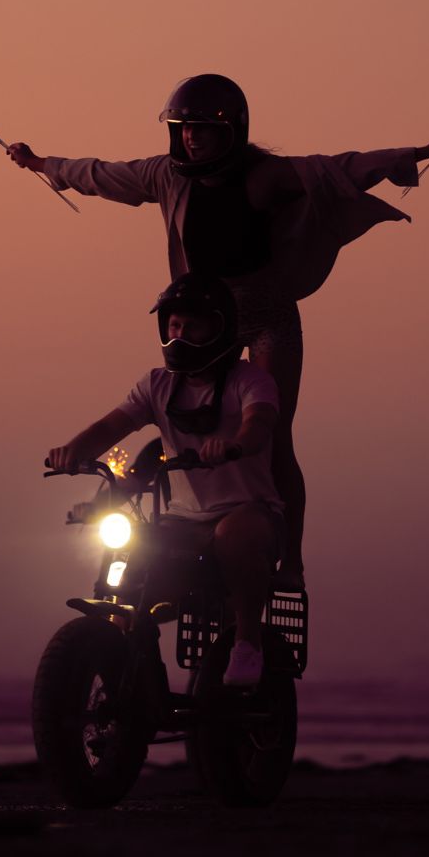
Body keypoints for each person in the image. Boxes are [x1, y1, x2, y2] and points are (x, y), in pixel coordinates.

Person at [9, 74, 429, 583]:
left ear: (232, 132)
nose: (191, 138)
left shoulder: (262, 177)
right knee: (180, 415)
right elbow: (105, 174)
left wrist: (420, 151)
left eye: (203, 129)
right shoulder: (166, 176)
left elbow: (337, 170)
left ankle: (289, 560)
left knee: (274, 436)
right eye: (183, 129)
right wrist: (43, 164)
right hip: (205, 319)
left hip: (267, 314)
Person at [47, 273, 282, 687]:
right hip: (182, 520)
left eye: (192, 326)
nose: (180, 335)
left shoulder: (250, 380)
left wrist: (235, 445)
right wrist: (73, 451)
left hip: (249, 512)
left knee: (235, 536)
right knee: (137, 566)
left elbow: (259, 423)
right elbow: (111, 425)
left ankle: (248, 642)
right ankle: (132, 663)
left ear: (219, 327)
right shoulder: (156, 384)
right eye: (173, 325)